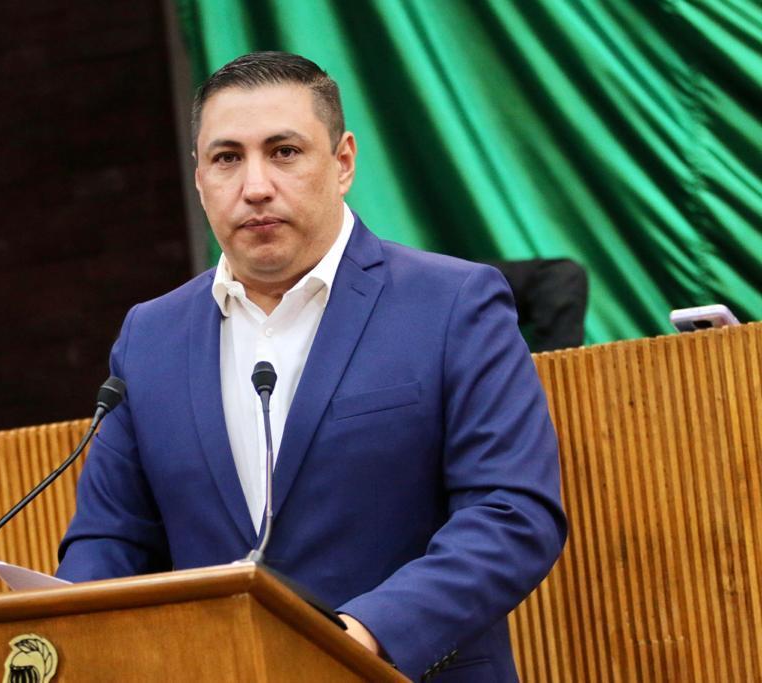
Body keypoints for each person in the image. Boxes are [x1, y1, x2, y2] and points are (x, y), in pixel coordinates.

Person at [57, 51, 566, 682]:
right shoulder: (150, 336)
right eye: (227, 158)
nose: (255, 186)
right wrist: (67, 629)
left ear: (343, 161)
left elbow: (511, 513)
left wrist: (361, 636)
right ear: (199, 176)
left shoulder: (452, 303)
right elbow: (110, 538)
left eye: (284, 152)